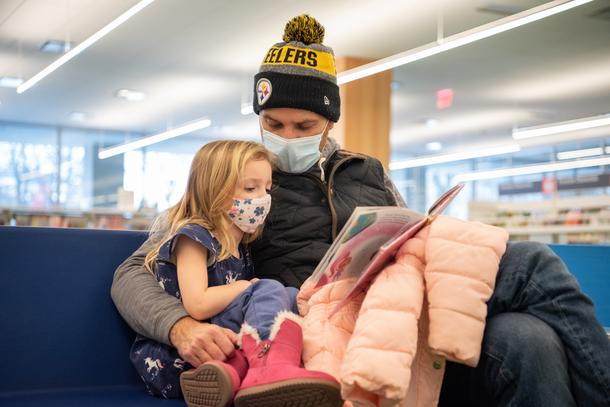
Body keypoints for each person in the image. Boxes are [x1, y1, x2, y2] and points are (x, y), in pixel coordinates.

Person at [112, 14, 610, 407]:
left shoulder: (366, 171)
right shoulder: (238, 181)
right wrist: (181, 326)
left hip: (394, 312)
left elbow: (405, 237)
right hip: (320, 328)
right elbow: (134, 271)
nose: (286, 137)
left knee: (529, 323)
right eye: (273, 122)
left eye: (304, 125)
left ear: (329, 122)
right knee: (529, 296)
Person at [128, 140, 341, 407]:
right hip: (173, 358)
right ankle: (267, 368)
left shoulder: (241, 247)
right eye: (251, 188)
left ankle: (233, 374)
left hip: (218, 349)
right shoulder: (193, 237)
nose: (263, 198)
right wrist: (246, 286)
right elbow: (197, 303)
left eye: (267, 188)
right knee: (269, 288)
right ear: (213, 191)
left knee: (290, 294)